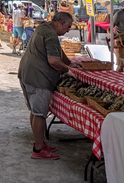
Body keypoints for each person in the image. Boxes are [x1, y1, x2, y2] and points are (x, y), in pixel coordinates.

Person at [18, 11, 78, 159]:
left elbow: (57, 51)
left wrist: (70, 63)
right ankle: (38, 150)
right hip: (39, 77)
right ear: (61, 23)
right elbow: (53, 60)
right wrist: (68, 70)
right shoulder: (51, 34)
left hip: (27, 72)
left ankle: (39, 142)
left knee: (34, 111)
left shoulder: (45, 27)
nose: (68, 30)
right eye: (68, 27)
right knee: (39, 114)